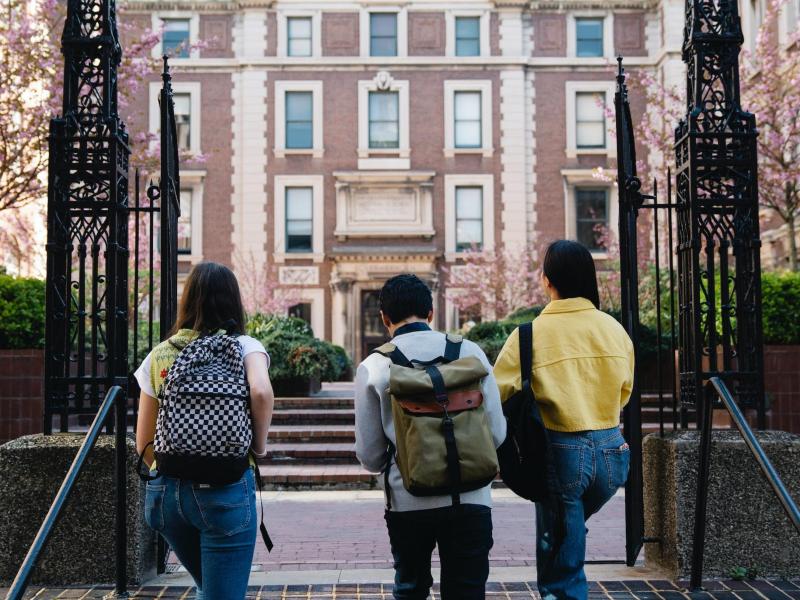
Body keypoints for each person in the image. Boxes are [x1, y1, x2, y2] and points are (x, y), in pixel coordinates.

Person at [493, 240, 634, 600]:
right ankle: (564, 538)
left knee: (563, 571)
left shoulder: (527, 335)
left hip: (560, 452)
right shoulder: (614, 329)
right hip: (612, 451)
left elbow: (497, 395)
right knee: (564, 531)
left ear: (546, 281)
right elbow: (625, 391)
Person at [354, 273, 506, 599]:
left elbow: (370, 456)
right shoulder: (471, 352)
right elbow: (497, 433)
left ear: (384, 318)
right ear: (431, 313)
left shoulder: (375, 365)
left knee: (411, 589)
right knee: (467, 591)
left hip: (408, 501)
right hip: (471, 498)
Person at [134, 262, 274, 600]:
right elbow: (261, 392)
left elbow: (143, 443)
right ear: (233, 301)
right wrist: (257, 447)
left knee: (208, 588)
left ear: (188, 300)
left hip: (166, 497)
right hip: (224, 489)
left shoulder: (160, 354)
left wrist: (177, 466)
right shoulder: (244, 346)